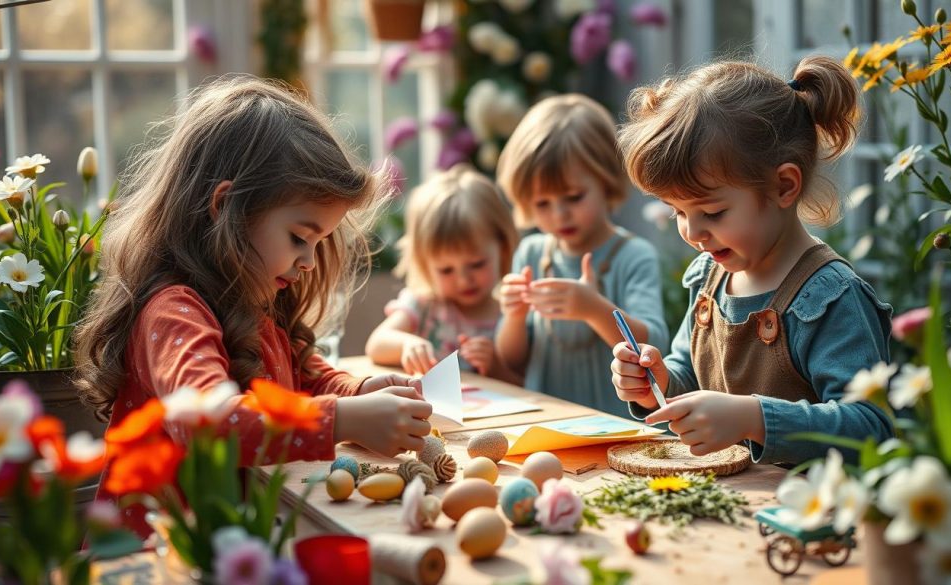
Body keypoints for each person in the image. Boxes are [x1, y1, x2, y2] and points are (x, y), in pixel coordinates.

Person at [73, 76, 432, 534]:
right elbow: (210, 424)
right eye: (301, 238)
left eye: (318, 244)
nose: (308, 261)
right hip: (159, 562)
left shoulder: (250, 301)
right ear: (225, 206)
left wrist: (358, 390)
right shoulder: (173, 310)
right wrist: (342, 419)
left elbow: (302, 377)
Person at [611, 56, 894, 465]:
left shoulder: (830, 299)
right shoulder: (710, 278)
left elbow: (871, 426)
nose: (692, 232)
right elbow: (688, 372)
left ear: (783, 186)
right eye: (678, 212)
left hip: (814, 517)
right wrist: (659, 382)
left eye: (712, 212)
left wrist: (755, 418)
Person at [495, 94, 668, 418]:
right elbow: (512, 359)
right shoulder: (532, 253)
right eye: (542, 204)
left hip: (616, 429)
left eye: (573, 197)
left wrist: (593, 308)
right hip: (546, 423)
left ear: (606, 180)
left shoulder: (633, 255)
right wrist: (514, 315)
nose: (559, 215)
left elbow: (654, 345)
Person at [365, 164, 520, 382]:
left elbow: (526, 384)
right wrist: (408, 344)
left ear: (503, 248)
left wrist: (495, 366)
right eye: (446, 270)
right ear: (424, 264)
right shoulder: (424, 307)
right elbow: (376, 344)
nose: (464, 280)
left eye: (476, 264)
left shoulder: (512, 314)